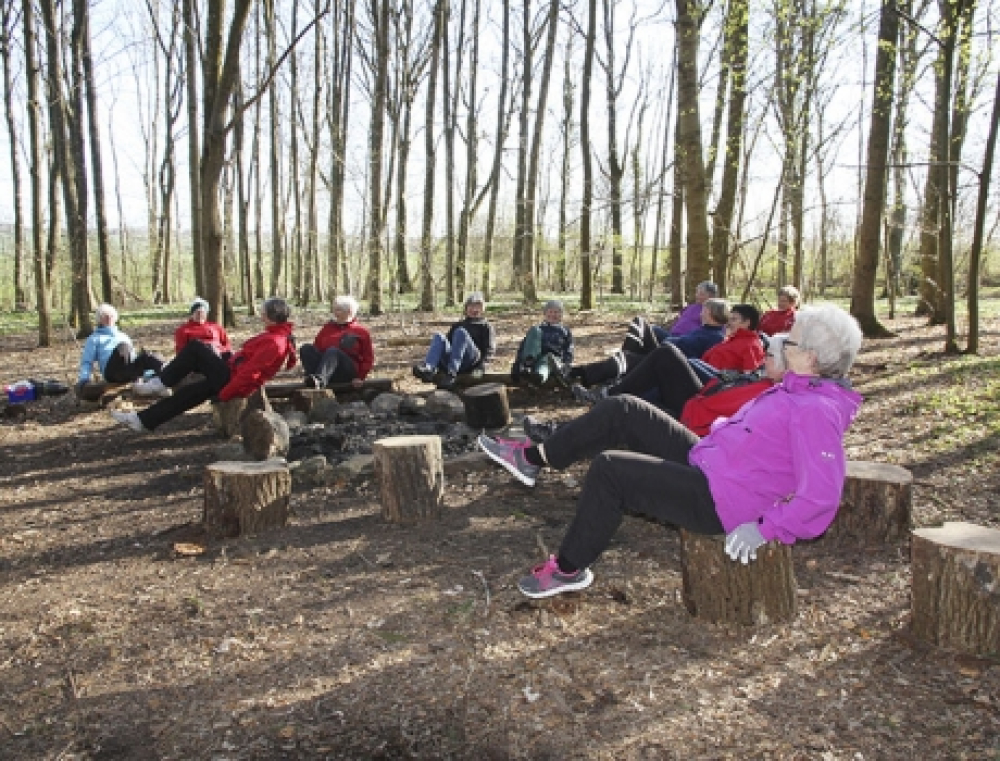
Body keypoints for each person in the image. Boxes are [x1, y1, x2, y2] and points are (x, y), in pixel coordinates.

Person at [478, 304, 863, 599]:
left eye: (789, 339)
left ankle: (567, 569)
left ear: (811, 357)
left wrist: (766, 529)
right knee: (625, 408)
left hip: (722, 501)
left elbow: (821, 497)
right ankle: (533, 459)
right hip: (711, 463)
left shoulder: (816, 411)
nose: (778, 341)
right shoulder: (797, 388)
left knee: (611, 470)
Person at [522, 335, 789, 444]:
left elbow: (726, 424)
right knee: (659, 356)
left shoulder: (773, 395)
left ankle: (560, 432)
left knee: (625, 407)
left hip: (696, 422)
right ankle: (572, 419)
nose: (764, 360)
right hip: (701, 399)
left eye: (771, 357)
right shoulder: (765, 382)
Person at [110, 298, 297, 433]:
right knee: (188, 394)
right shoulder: (275, 336)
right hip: (231, 372)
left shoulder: (275, 342)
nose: (260, 314)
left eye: (263, 311)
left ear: (271, 316)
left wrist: (226, 393)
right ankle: (143, 421)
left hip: (233, 380)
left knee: (196, 348)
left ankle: (161, 382)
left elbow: (251, 373)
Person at [568, 297, 729, 395]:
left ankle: (580, 373)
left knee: (632, 345)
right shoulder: (705, 330)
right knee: (634, 343)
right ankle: (586, 373)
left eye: (704, 311)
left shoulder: (713, 336)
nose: (701, 313)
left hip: (669, 362)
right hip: (665, 351)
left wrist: (667, 342)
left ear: (712, 314)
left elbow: (688, 354)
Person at [412, 292, 496, 390]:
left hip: (471, 362)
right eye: (471, 306)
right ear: (466, 308)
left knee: (461, 332)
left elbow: (489, 351)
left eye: (478, 306)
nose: (474, 309)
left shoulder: (485, 326)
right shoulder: (458, 325)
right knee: (439, 336)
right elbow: (447, 346)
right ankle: (429, 369)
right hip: (454, 360)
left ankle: (452, 373)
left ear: (482, 309)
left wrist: (481, 368)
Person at [76, 303, 164, 394]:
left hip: (128, 369)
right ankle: (139, 382)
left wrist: (145, 371)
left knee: (151, 356)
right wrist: (84, 379)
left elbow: (132, 357)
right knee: (123, 346)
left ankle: (167, 378)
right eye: (104, 316)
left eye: (111, 316)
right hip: (113, 372)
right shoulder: (94, 338)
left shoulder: (123, 336)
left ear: (115, 317)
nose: (108, 318)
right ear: (99, 320)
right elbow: (87, 361)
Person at [299, 295, 374, 389]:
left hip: (347, 371)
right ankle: (312, 380)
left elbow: (368, 358)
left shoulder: (361, 332)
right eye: (334, 309)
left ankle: (319, 381)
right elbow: (316, 348)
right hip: (326, 368)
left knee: (333, 351)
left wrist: (360, 377)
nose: (335, 313)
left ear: (349, 311)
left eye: (338, 310)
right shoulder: (327, 328)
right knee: (306, 348)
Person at [624, 281, 719, 350]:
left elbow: (711, 331)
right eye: (697, 292)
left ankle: (627, 356)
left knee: (642, 325)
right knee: (644, 327)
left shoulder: (712, 310)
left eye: (701, 293)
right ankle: (628, 356)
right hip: (671, 336)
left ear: (711, 296)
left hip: (682, 342)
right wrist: (667, 327)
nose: (697, 295)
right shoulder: (691, 307)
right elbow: (678, 320)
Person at [512, 300, 574, 386]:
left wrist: (567, 364)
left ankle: (538, 377)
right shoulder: (537, 329)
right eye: (550, 312)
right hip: (535, 356)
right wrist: (517, 362)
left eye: (556, 312)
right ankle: (527, 364)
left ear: (561, 315)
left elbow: (569, 349)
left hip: (553, 359)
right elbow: (524, 346)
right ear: (545, 313)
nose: (553, 315)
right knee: (535, 331)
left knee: (546, 361)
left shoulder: (564, 331)